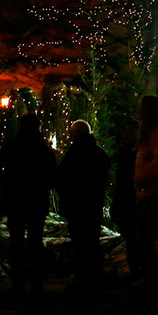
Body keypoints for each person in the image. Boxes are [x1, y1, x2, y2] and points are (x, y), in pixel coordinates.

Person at [0, 113, 57, 298]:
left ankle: (18, 282)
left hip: (16, 200)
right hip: (36, 201)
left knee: (16, 241)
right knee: (35, 241)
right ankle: (37, 282)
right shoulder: (43, 149)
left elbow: (5, 173)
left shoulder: (12, 146)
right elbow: (51, 175)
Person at [57, 120, 110, 294]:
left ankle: (83, 278)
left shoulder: (74, 153)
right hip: (93, 203)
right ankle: (95, 277)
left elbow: (63, 177)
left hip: (77, 204)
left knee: (80, 242)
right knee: (92, 241)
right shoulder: (100, 153)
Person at [134, 95, 158, 286]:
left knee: (145, 237)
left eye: (141, 107)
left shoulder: (157, 131)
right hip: (151, 190)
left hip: (155, 190)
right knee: (145, 236)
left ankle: (155, 277)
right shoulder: (154, 131)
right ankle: (153, 276)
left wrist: (141, 176)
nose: (138, 111)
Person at [110, 119, 140, 281]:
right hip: (127, 199)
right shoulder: (125, 151)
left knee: (135, 238)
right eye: (126, 131)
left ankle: (138, 271)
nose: (126, 135)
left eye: (130, 131)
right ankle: (135, 271)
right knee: (132, 239)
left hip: (134, 198)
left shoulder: (135, 151)